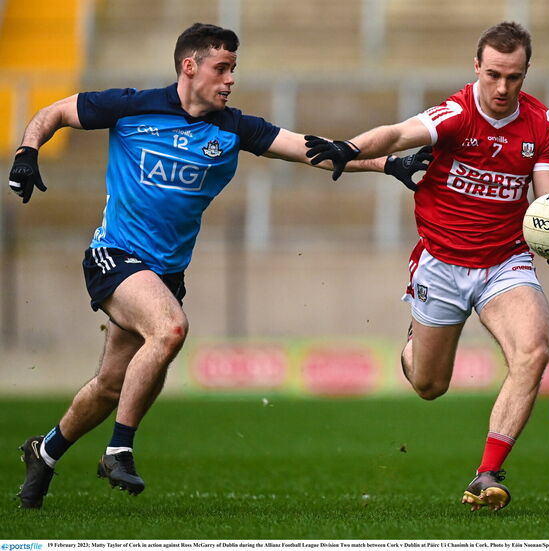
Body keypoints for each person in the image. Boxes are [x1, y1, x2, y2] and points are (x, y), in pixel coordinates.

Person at [9, 22, 419, 509]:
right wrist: (27, 150)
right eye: (222, 68)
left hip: (165, 273)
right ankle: (118, 450)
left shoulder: (234, 127)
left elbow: (314, 150)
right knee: (170, 330)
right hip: (114, 255)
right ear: (190, 66)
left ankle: (46, 452)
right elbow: (54, 111)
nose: (230, 80)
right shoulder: (131, 105)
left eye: (234, 70)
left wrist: (387, 164)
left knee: (109, 385)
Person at [305, 21, 549, 511]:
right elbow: (396, 134)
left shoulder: (541, 125)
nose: (502, 88)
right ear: (476, 67)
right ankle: (415, 345)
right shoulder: (455, 114)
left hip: (505, 262)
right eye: (494, 74)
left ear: (525, 73)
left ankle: (488, 473)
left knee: (534, 351)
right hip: (441, 264)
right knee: (430, 385)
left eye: (514, 77)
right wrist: (351, 148)